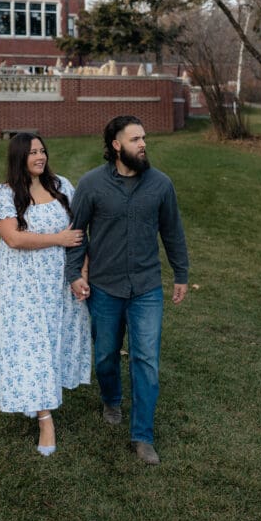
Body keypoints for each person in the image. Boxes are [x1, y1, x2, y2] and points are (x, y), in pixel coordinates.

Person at [65, 116, 189, 466]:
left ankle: (143, 436)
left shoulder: (161, 185)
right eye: (135, 139)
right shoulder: (91, 185)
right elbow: (77, 234)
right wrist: (75, 273)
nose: (143, 144)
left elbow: (173, 232)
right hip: (105, 287)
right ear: (116, 145)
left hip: (147, 288)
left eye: (144, 137)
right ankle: (111, 398)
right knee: (105, 354)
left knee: (146, 360)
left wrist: (181, 273)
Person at [0, 131, 91, 456]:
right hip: (23, 286)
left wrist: (81, 273)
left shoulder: (61, 186)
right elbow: (14, 239)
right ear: (19, 157)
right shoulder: (4, 194)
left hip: (59, 282)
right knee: (31, 344)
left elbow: (78, 233)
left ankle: (39, 397)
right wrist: (57, 239)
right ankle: (46, 419)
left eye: (43, 151)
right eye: (33, 152)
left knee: (54, 339)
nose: (40, 157)